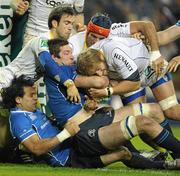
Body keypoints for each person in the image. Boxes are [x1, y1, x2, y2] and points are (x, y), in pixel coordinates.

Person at [43, 38, 180, 164]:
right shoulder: (60, 73)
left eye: (71, 52)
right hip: (84, 131)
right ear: (54, 58)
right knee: (142, 123)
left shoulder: (71, 70)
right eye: (66, 53)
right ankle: (162, 156)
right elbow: (100, 81)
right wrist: (105, 77)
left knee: (155, 110)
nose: (72, 56)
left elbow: (86, 97)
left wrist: (89, 103)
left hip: (93, 119)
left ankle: (172, 155)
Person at [3, 75, 180, 169]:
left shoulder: (33, 112)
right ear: (18, 100)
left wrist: (85, 111)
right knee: (137, 129)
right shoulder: (19, 120)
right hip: (72, 157)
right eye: (31, 95)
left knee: (123, 148)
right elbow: (36, 148)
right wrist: (66, 133)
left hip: (75, 143)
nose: (36, 98)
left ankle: (167, 163)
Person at [10, 0, 86, 46]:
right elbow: (15, 2)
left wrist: (79, 27)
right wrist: (19, 7)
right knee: (30, 71)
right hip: (35, 35)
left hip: (62, 38)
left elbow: (78, 12)